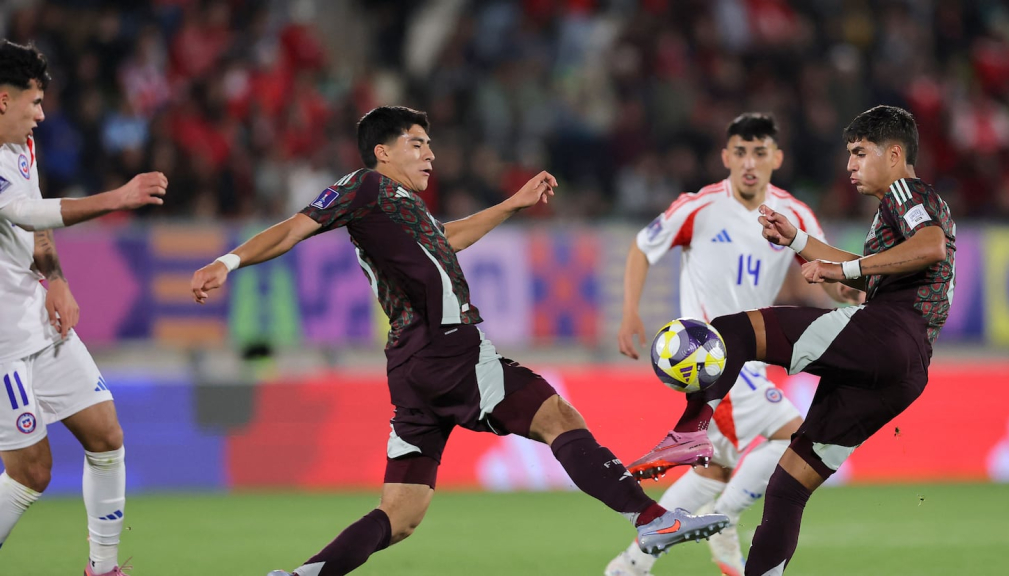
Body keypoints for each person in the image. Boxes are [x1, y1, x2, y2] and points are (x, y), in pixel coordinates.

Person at [189, 105, 729, 576]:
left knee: (401, 514)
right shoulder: (364, 186)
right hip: (446, 347)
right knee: (557, 416)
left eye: (430, 144)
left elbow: (446, 240)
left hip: (412, 366)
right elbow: (293, 228)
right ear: (381, 152)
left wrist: (512, 204)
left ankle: (304, 574)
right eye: (416, 143)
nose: (430, 154)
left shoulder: (400, 204)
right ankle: (652, 519)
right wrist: (227, 262)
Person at [628, 105, 955, 574]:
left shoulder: (907, 191)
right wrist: (797, 240)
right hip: (906, 371)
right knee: (786, 487)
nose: (850, 165)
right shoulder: (906, 208)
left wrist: (842, 269)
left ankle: (689, 433)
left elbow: (930, 245)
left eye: (860, 153)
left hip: (887, 334)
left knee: (736, 329)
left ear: (895, 154)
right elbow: (887, 274)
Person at [604, 113, 860, 576]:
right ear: (725, 156)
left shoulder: (794, 214)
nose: (749, 162)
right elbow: (643, 246)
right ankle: (723, 521)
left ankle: (631, 564)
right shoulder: (699, 207)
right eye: (740, 152)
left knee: (714, 471)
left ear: (776, 158)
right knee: (796, 437)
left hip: (753, 359)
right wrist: (629, 311)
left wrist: (848, 289)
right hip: (711, 357)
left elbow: (822, 270)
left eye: (759, 152)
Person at [0, 40, 168, 576]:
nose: (41, 114)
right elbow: (26, 212)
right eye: (34, 102)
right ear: (3, 99)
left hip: (36, 317)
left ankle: (103, 568)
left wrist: (56, 279)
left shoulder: (20, 147)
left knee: (106, 435)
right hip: (2, 344)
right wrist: (117, 198)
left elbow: (36, 224)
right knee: (31, 472)